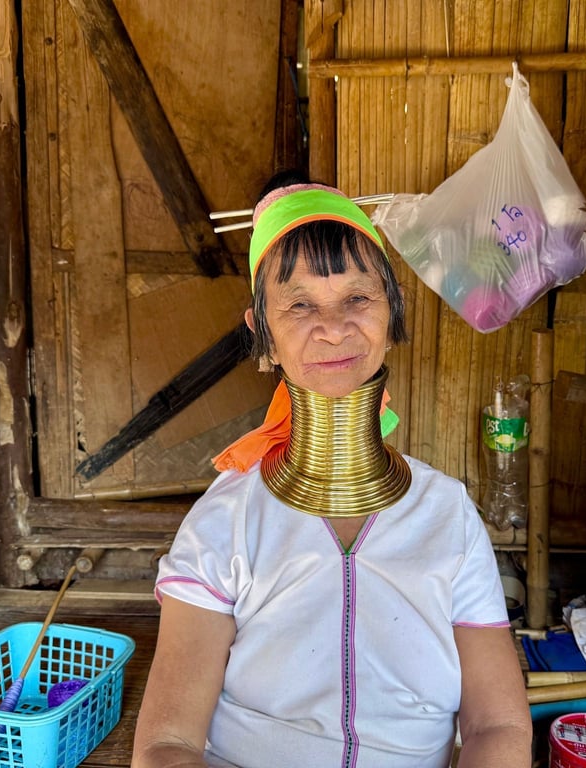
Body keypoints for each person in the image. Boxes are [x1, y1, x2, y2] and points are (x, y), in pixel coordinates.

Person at [132, 173, 532, 768]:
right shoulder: (226, 520)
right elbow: (168, 746)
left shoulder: (447, 513)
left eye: (357, 297)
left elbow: (497, 724)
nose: (334, 327)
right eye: (298, 305)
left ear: (393, 316)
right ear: (262, 335)